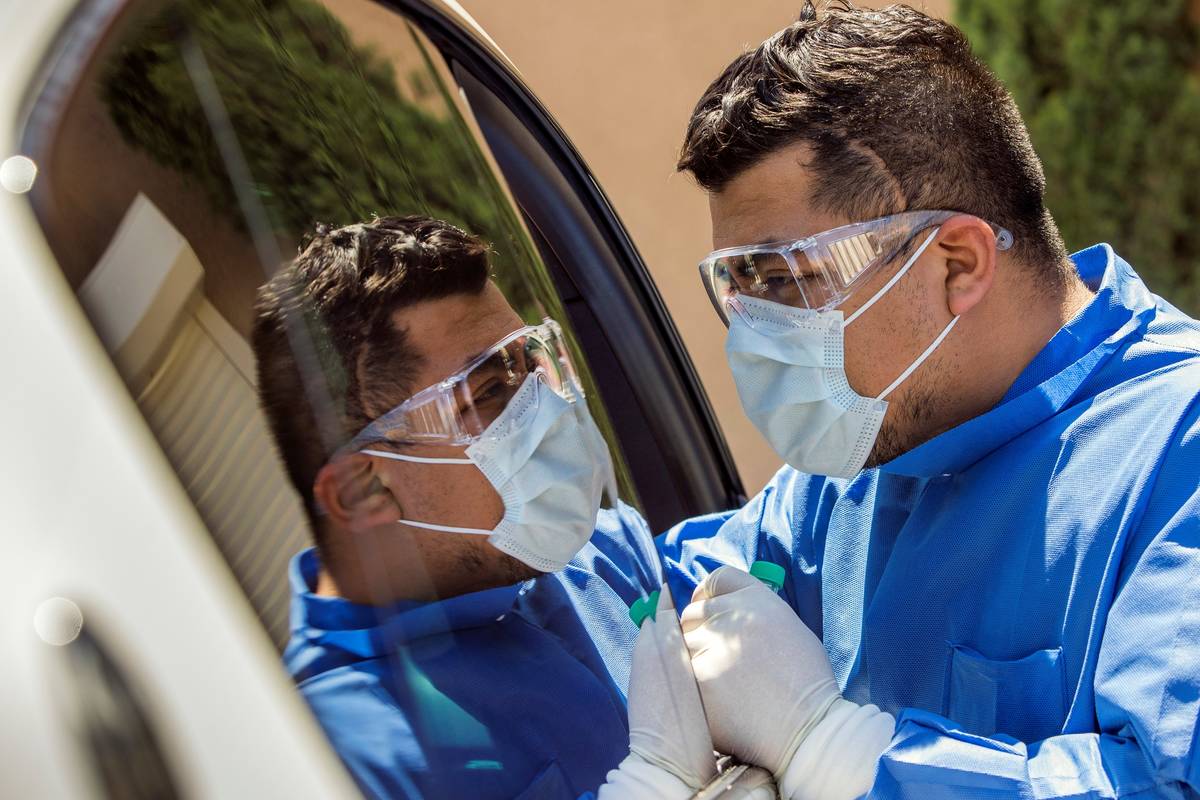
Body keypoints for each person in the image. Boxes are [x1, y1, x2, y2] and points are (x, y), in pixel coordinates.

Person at [659, 3, 1200, 799]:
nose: (754, 334)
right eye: (737, 288)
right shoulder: (862, 447)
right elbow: (668, 596)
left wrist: (833, 751)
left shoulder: (1174, 447)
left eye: (784, 280)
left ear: (955, 262)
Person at [252, 215, 713, 800]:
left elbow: (787, 549)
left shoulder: (595, 555)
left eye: (528, 363)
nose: (545, 405)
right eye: (491, 392)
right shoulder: (335, 762)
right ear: (363, 490)